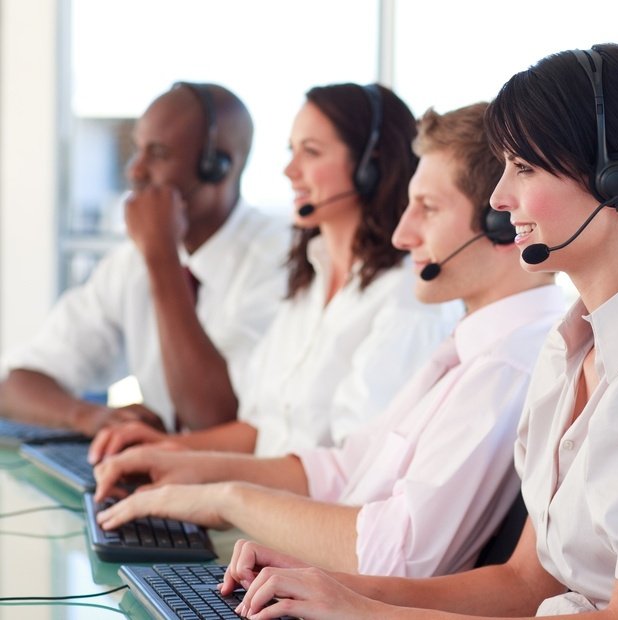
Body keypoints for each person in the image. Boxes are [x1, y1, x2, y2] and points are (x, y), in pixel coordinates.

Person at [215, 44, 618, 620]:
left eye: (524, 168)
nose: (499, 197)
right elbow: (524, 583)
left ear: (616, 181)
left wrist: (361, 613)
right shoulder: (571, 347)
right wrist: (321, 585)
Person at [92, 102, 565, 577]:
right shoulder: (468, 347)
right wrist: (195, 470)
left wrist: (227, 499)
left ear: (503, 222)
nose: (405, 235)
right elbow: (345, 468)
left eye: (427, 208)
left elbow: (395, 557)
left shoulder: (508, 364)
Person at [87, 82, 461, 458]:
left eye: (311, 152)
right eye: (291, 151)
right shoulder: (308, 282)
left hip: (294, 512)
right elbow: (261, 432)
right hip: (257, 503)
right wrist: (163, 449)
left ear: (370, 166)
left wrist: (213, 487)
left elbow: (350, 473)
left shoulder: (405, 299)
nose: (289, 170)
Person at [0, 82, 290, 436]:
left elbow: (214, 417)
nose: (135, 171)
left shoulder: (279, 261)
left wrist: (162, 257)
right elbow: (16, 384)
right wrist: (90, 416)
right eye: (138, 150)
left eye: (159, 153)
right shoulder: (130, 262)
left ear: (218, 165)